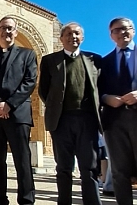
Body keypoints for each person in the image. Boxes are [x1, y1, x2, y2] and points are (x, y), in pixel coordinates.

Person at [38, 22, 102, 205]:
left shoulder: (94, 59)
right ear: (61, 38)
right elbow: (43, 91)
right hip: (61, 121)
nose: (72, 37)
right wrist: (55, 107)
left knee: (89, 169)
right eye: (68, 34)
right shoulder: (50, 61)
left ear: (82, 38)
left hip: (87, 121)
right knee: (64, 168)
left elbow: (99, 88)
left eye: (76, 34)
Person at [0, 16, 37, 205]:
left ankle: (26, 200)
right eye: (3, 28)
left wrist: (8, 105)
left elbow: (29, 82)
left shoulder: (27, 55)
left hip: (18, 115)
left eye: (10, 28)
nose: (6, 32)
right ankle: (0, 200)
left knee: (22, 161)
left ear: (16, 32)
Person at [98, 17, 137, 205]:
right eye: (117, 30)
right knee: (120, 172)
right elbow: (98, 91)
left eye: (126, 28)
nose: (122, 33)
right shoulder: (104, 62)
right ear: (111, 35)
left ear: (133, 30)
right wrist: (107, 99)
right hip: (115, 123)